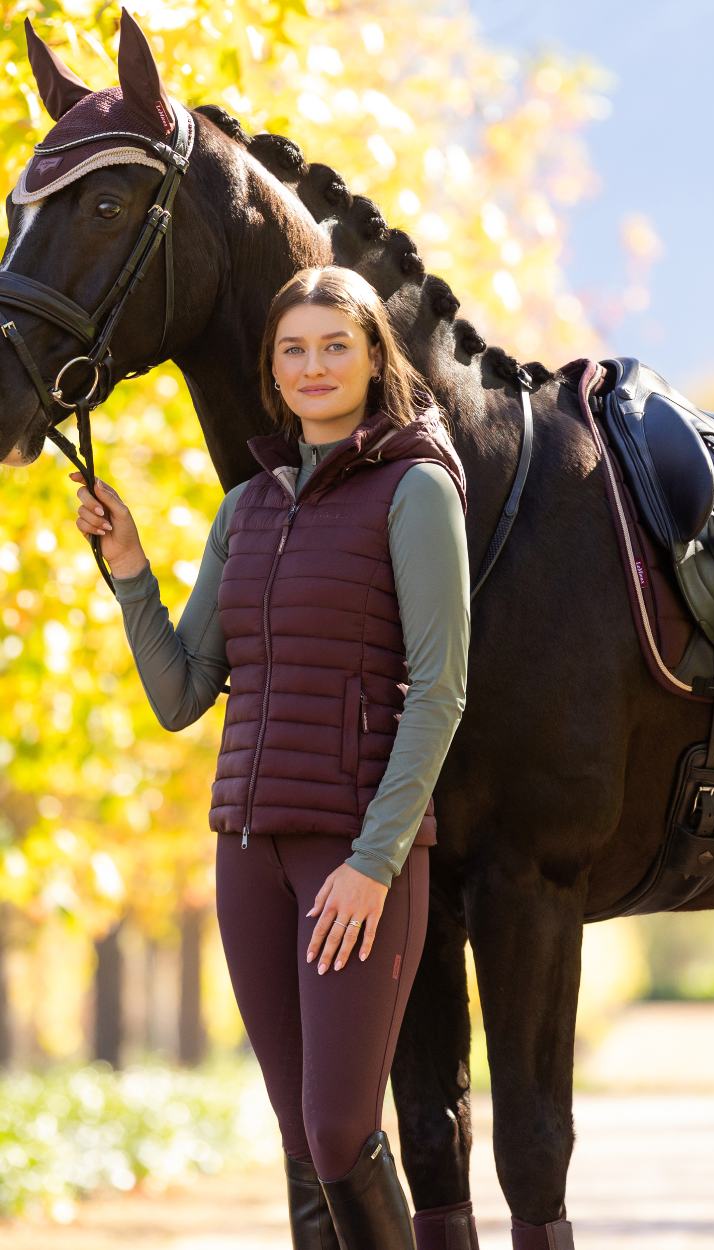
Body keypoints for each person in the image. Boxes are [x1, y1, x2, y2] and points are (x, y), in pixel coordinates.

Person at [70, 265, 472, 1250]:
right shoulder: (245, 507)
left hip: (353, 855)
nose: (314, 364)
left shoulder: (416, 489)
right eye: (293, 348)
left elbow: (442, 689)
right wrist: (129, 571)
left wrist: (375, 861)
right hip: (246, 851)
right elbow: (180, 693)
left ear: (376, 357)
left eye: (336, 343)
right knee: (300, 1132)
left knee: (340, 1127)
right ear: (271, 370)